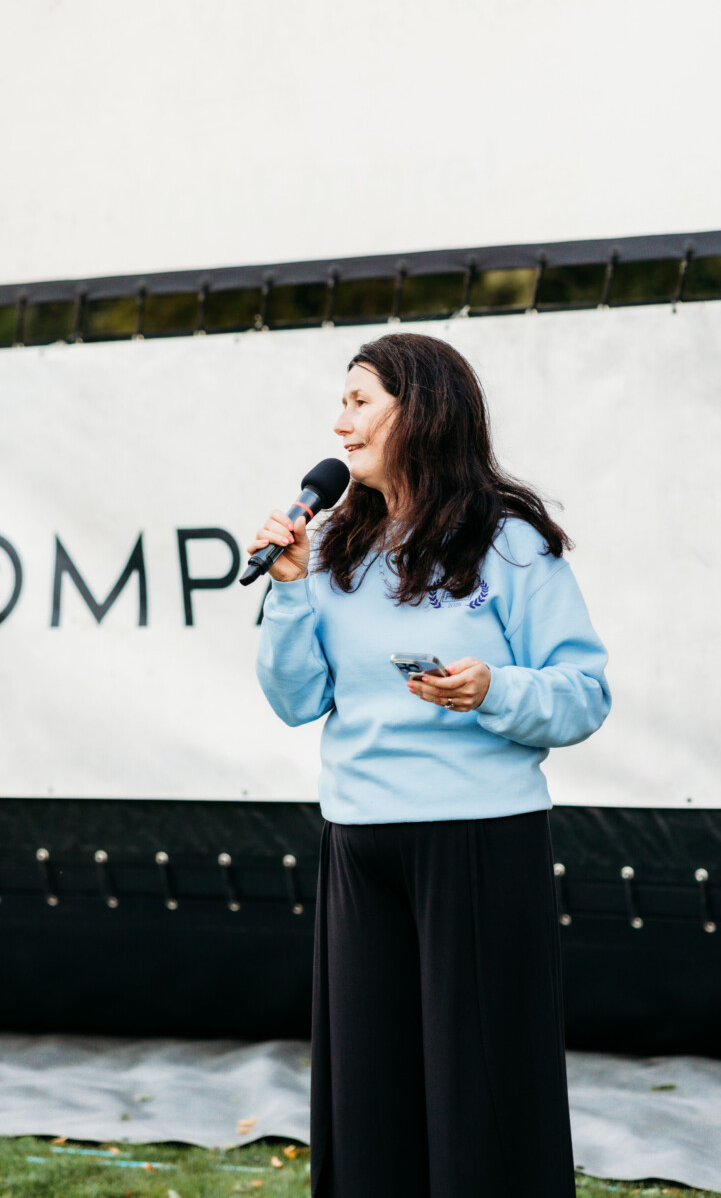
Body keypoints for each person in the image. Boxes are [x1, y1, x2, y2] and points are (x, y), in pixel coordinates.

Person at [250, 331, 611, 1198]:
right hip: (360, 844)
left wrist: (494, 687)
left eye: (359, 401)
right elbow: (297, 699)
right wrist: (289, 588)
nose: (340, 425)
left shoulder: (510, 542)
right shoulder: (330, 548)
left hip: (479, 843)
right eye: (341, 403)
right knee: (367, 1092)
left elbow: (584, 693)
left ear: (421, 411)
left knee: (482, 1091)